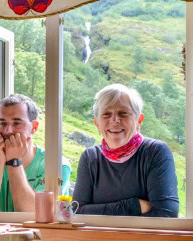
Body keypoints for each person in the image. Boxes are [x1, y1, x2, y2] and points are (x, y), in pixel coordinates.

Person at [73, 84, 179, 217]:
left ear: (139, 120)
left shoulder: (156, 152)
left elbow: (166, 214)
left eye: (124, 113)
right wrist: (134, 206)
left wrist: (98, 212)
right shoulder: (89, 158)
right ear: (97, 124)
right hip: (97, 238)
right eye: (106, 114)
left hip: (144, 238)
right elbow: (77, 211)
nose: (115, 120)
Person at [0, 94, 71, 212]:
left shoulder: (57, 166)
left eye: (17, 123)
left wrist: (13, 162)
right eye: (3, 123)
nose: (7, 131)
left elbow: (36, 213)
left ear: (34, 127)